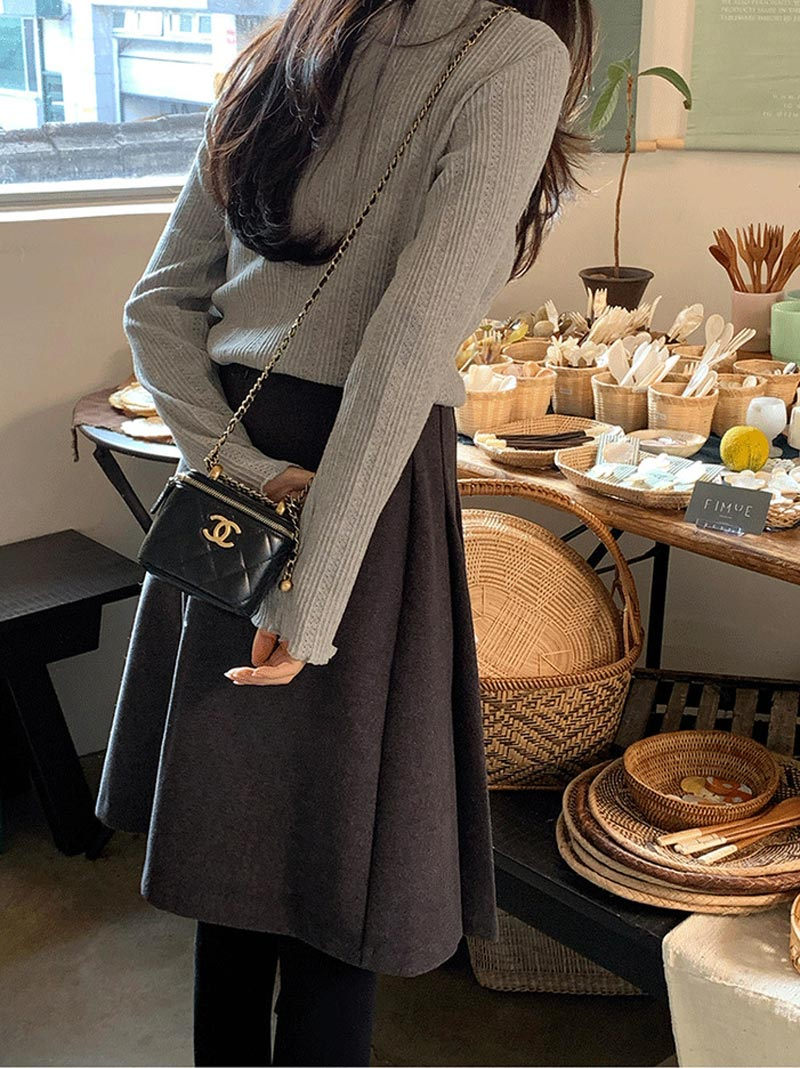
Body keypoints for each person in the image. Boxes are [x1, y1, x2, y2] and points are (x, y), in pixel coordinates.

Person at [95, 0, 593, 1064]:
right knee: (337, 867)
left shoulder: (285, 46)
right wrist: (312, 588)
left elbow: (157, 309)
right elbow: (403, 344)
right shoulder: (512, 52)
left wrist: (239, 471)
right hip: (363, 473)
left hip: (234, 462)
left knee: (232, 852)